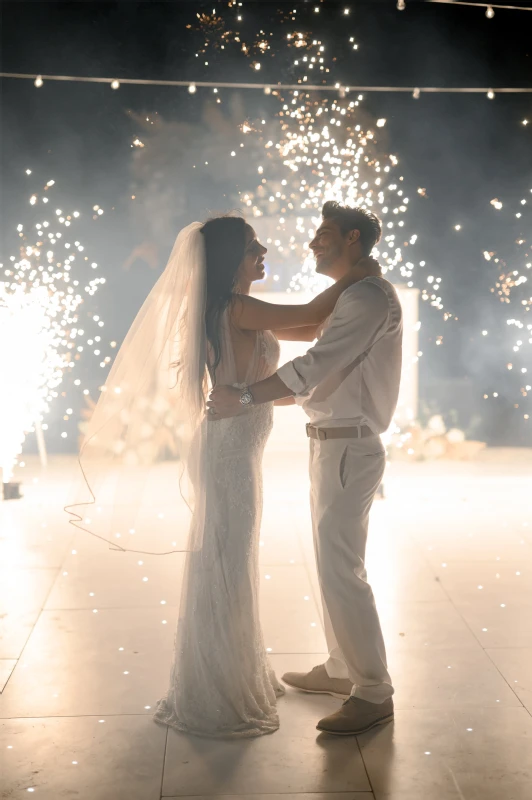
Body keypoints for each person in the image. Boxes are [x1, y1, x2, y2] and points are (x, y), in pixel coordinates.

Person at [148, 214, 378, 739]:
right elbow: (313, 311)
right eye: (253, 246)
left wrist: (348, 288)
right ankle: (218, 688)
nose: (264, 249)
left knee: (230, 559)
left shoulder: (237, 310)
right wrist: (359, 272)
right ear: (232, 259)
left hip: (236, 449)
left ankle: (229, 668)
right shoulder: (237, 307)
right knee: (226, 562)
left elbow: (314, 326)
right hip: (229, 454)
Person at [208, 202, 403, 736]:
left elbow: (315, 365)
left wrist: (246, 395)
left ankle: (373, 690)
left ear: (354, 239)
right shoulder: (355, 295)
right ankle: (342, 668)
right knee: (331, 565)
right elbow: (315, 356)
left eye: (324, 235)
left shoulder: (367, 296)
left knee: (344, 570)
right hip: (330, 443)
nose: (312, 244)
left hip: (349, 446)